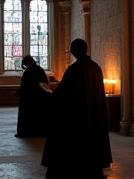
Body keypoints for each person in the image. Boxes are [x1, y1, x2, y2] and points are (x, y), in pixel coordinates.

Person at [41, 38, 112, 178]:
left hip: (78, 115)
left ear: (73, 51)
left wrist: (51, 92)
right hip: (93, 113)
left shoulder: (75, 69)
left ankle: (74, 164)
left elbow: (63, 94)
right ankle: (93, 162)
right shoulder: (95, 67)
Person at [15, 55, 50, 138]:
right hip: (40, 98)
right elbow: (44, 84)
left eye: (24, 64)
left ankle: (28, 132)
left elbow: (25, 86)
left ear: (27, 63)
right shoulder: (40, 69)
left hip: (29, 98)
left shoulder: (28, 71)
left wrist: (19, 92)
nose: (24, 66)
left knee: (29, 116)